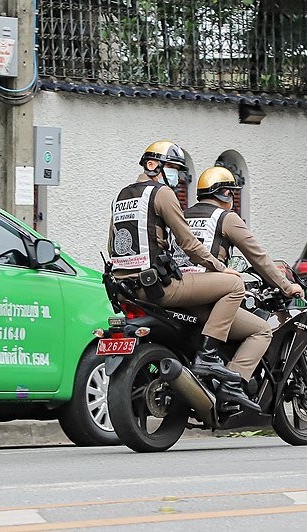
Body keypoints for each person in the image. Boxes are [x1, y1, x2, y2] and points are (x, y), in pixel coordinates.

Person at [107, 141, 253, 407]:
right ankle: (209, 356)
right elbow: (188, 243)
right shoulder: (162, 194)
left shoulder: (121, 196)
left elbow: (112, 245)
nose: (177, 176)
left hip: (127, 289)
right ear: (154, 166)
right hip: (159, 288)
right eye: (173, 168)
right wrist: (221, 267)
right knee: (233, 285)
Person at [172, 165, 304, 408]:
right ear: (224, 194)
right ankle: (231, 385)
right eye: (231, 193)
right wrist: (287, 287)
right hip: (207, 299)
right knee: (262, 330)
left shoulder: (183, 215)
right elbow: (258, 257)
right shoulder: (225, 218)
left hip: (178, 295)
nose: (232, 198)